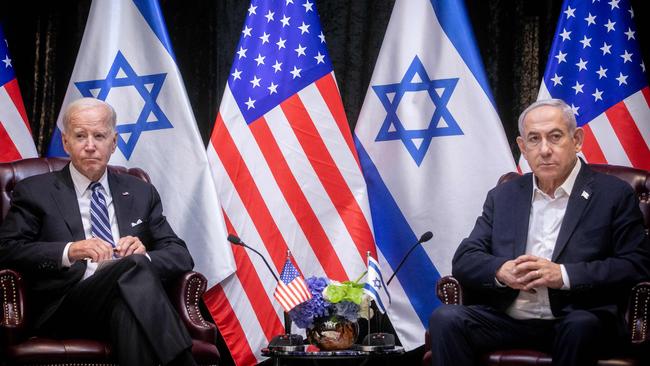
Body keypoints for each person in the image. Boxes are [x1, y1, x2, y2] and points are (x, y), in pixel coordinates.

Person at [428, 98, 650, 365]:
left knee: (580, 326)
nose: (544, 149)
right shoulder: (504, 196)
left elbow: (636, 264)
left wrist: (563, 275)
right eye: (534, 139)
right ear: (523, 146)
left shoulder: (613, 195)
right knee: (446, 319)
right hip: (510, 319)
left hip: (577, 317)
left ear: (577, 139)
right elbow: (465, 258)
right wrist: (501, 271)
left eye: (555, 137)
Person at [0, 98, 197, 366]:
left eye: (99, 136)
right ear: (66, 142)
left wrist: (144, 256)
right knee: (132, 268)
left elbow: (180, 254)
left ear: (113, 142)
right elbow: (8, 250)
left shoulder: (140, 191)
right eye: (80, 136)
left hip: (127, 300)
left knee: (127, 301)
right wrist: (71, 250)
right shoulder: (36, 191)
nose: (90, 145)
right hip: (67, 307)